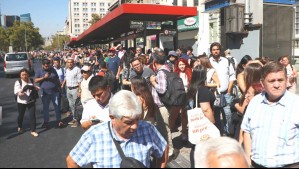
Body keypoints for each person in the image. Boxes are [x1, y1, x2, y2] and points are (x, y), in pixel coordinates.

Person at [66, 90, 168, 168]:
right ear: (112, 118)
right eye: (128, 122)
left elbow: (163, 149)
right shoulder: (94, 136)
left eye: (137, 119)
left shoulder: (147, 129)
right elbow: (72, 161)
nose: (135, 126)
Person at [241, 61, 299, 168]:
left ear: (286, 80)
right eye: (272, 81)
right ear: (262, 83)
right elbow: (247, 131)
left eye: (280, 80)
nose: (277, 85)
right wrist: (248, 161)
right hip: (256, 165)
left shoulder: (296, 105)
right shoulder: (255, 103)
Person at [209, 42, 236, 136]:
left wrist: (228, 91)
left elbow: (232, 76)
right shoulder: (208, 62)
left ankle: (228, 133)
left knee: (227, 114)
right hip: (214, 94)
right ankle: (218, 133)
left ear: (220, 51)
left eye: (217, 49)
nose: (215, 51)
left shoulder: (226, 61)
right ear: (211, 51)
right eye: (214, 49)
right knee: (215, 115)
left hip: (225, 93)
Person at [35, 59, 63, 128]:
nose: (47, 67)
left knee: (57, 107)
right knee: (46, 108)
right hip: (45, 93)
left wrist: (60, 88)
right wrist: (44, 78)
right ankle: (46, 122)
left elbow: (57, 79)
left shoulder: (53, 69)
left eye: (48, 66)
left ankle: (58, 120)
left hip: (55, 92)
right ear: (42, 65)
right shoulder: (39, 71)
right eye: (46, 66)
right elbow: (35, 80)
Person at [172, 58, 192, 141]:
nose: (182, 66)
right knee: (174, 115)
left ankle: (184, 132)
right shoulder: (175, 74)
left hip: (187, 96)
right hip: (178, 97)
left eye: (183, 64)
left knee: (185, 115)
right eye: (180, 65)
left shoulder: (190, 73)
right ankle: (169, 131)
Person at [14, 68, 39, 137]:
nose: (24, 76)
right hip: (22, 102)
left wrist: (36, 88)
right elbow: (17, 92)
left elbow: (35, 87)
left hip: (31, 100)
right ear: (20, 76)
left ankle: (33, 130)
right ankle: (20, 126)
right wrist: (23, 90)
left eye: (26, 74)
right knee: (21, 115)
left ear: (28, 74)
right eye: (23, 75)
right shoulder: (18, 82)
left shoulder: (31, 80)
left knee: (32, 115)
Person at [61, 58, 82, 128]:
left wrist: (79, 90)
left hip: (75, 89)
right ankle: (74, 118)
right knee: (71, 105)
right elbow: (66, 78)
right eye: (68, 62)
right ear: (66, 63)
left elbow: (80, 81)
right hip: (68, 89)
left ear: (73, 63)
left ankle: (77, 120)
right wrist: (63, 84)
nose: (70, 63)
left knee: (76, 106)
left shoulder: (77, 69)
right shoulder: (66, 69)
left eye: (71, 62)